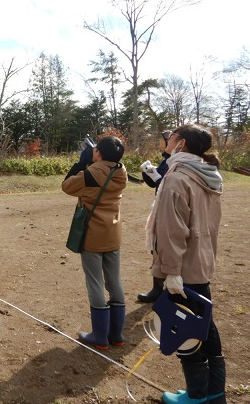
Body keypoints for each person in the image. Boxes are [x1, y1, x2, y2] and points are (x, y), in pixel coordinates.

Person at [148, 125, 225, 404]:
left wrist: (170, 271)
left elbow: (172, 231)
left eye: (171, 138)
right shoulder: (209, 175)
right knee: (207, 331)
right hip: (202, 262)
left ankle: (195, 396)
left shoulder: (177, 178)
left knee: (186, 333)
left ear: (181, 144)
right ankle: (213, 393)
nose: (167, 142)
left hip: (184, 269)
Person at [62, 136, 128, 350]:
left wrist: (82, 163)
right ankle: (116, 334)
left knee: (95, 283)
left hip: (93, 234)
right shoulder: (121, 170)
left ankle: (100, 335)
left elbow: (67, 186)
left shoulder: (90, 173)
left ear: (98, 153)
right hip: (113, 232)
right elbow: (104, 171)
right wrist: (96, 159)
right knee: (114, 281)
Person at [137, 130, 171, 302]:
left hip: (167, 208)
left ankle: (161, 290)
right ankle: (158, 288)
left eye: (162, 140)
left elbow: (167, 186)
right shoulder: (166, 159)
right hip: (159, 205)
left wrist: (158, 177)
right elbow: (154, 184)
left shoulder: (175, 161)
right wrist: (147, 171)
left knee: (161, 248)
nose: (159, 143)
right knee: (156, 248)